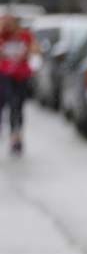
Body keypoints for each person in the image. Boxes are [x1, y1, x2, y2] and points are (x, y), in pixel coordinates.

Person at [0, 13, 38, 155]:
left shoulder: (25, 36)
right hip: (5, 75)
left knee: (18, 106)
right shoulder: (3, 35)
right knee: (9, 103)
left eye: (11, 22)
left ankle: (16, 137)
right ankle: (10, 134)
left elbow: (35, 49)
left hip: (21, 75)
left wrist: (27, 51)